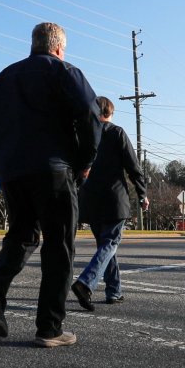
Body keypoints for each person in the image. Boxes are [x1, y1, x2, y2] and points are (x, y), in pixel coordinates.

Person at [0, 22, 100, 348]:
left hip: (14, 174)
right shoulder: (65, 72)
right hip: (54, 172)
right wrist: (85, 161)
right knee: (59, 247)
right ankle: (49, 328)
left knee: (21, 236)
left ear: (33, 44)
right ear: (58, 48)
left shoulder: (3, 78)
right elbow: (90, 113)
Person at [70, 97, 148, 309]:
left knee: (105, 246)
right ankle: (86, 283)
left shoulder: (83, 135)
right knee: (110, 244)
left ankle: (114, 291)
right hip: (114, 199)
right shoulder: (117, 133)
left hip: (90, 200)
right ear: (110, 113)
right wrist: (142, 194)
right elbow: (133, 167)